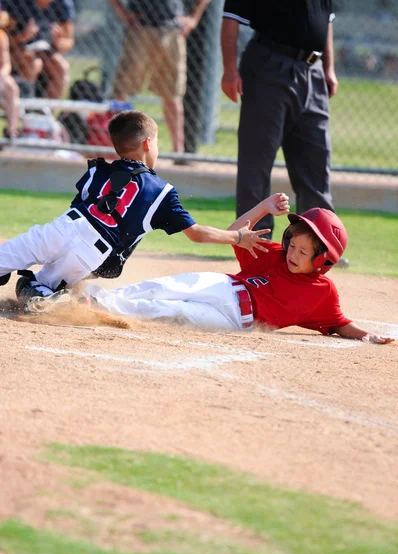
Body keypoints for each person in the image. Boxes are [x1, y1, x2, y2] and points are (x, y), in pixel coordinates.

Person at [0, 110, 269, 312]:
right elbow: (197, 234)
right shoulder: (161, 191)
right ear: (148, 144)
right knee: (38, 286)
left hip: (63, 227)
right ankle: (47, 297)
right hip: (91, 253)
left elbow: (80, 205)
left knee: (8, 259)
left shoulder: (98, 169)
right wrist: (238, 237)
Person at [84, 195, 394, 345]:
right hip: (224, 287)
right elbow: (234, 231)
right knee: (167, 287)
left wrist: (368, 336)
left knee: (172, 312)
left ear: (323, 261)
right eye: (293, 245)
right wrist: (264, 208)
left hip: (236, 321)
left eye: (303, 252)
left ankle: (103, 308)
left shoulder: (322, 294)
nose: (293, 254)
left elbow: (340, 323)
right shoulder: (273, 254)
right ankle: (94, 301)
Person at [221, 1, 349, 267]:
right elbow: (230, 19)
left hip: (313, 70)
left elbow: (326, 24)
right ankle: (258, 248)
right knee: (256, 163)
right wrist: (230, 70)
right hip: (269, 65)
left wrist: (328, 68)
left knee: (316, 164)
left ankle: (319, 245)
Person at [108, 0, 211, 157]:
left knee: (173, 94)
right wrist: (122, 12)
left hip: (172, 29)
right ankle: (118, 147)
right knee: (122, 90)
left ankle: (178, 152)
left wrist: (193, 17)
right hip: (141, 27)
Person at [34, 0, 76, 99]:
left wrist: (58, 41)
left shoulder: (62, 3)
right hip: (20, 48)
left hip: (47, 51)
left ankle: (45, 111)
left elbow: (69, 41)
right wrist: (24, 36)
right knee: (34, 63)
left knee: (61, 67)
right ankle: (23, 109)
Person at [0, 5, 20, 138]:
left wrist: (1, 75)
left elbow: (6, 64)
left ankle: (11, 132)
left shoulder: (1, 36)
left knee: (11, 87)